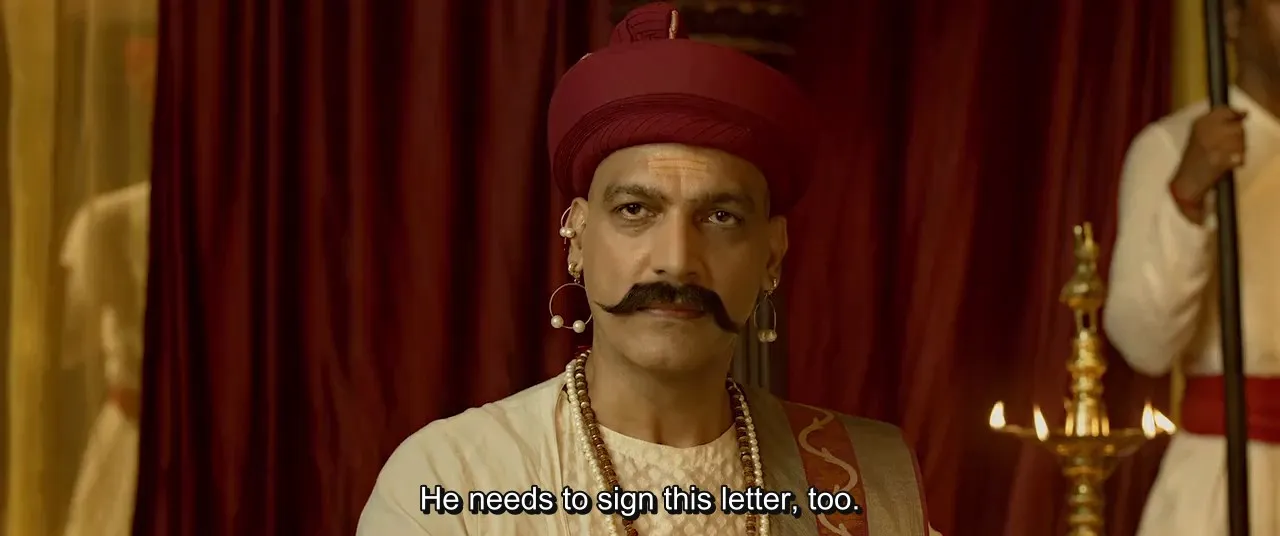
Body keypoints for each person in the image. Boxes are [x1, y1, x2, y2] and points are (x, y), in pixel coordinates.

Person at [357, 3, 940, 535]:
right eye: (635, 210)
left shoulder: (866, 482)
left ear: (771, 255)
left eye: (720, 216)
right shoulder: (452, 480)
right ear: (577, 237)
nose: (676, 262)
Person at [1104, 0, 1280, 534]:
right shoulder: (1172, 148)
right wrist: (1187, 196)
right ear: (1231, 18)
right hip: (1229, 480)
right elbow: (1143, 342)